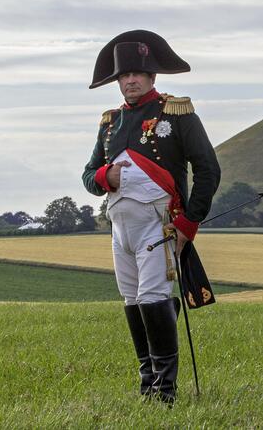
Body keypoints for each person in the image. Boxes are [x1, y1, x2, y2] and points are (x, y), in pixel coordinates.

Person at [82, 30, 220, 403]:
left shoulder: (176, 112)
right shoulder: (110, 122)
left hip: (160, 224)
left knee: (152, 296)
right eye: (124, 75)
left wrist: (188, 225)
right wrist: (102, 177)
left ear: (152, 77)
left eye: (138, 74)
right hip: (120, 228)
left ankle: (164, 393)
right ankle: (148, 384)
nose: (130, 80)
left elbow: (208, 170)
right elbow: (88, 175)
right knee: (132, 300)